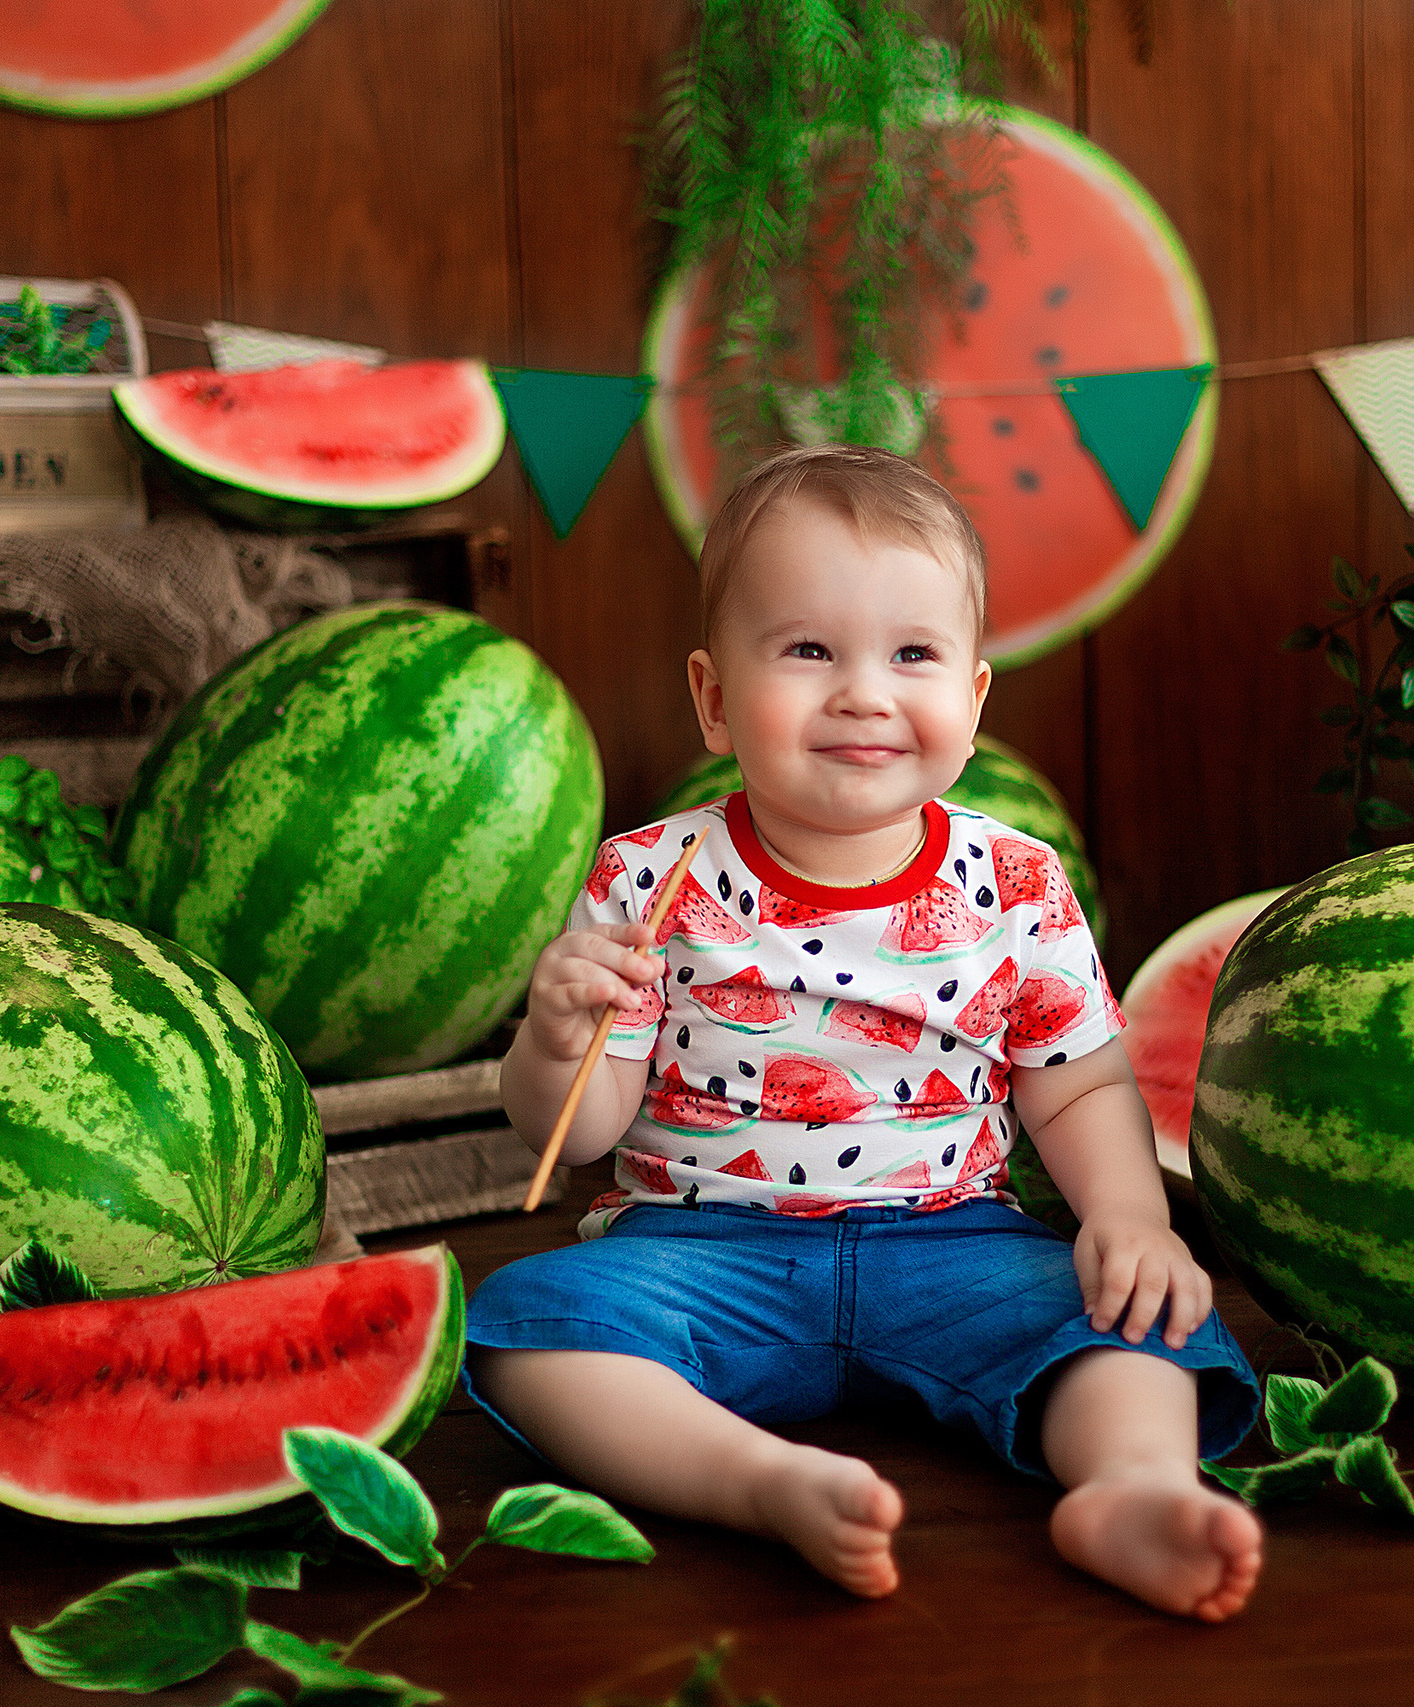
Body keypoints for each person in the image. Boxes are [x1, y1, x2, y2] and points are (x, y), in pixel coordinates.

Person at [469, 443, 1263, 1620]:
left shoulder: (1013, 882)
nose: (862, 691)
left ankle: (1130, 1487)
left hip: (956, 1244)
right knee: (530, 1331)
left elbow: (1079, 1087)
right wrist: (551, 1039)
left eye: (912, 654)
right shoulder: (650, 880)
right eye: (807, 650)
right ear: (714, 698)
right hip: (698, 1253)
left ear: (973, 698)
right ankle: (756, 1482)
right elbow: (577, 1132)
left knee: (1139, 1327)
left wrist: (1131, 1221)